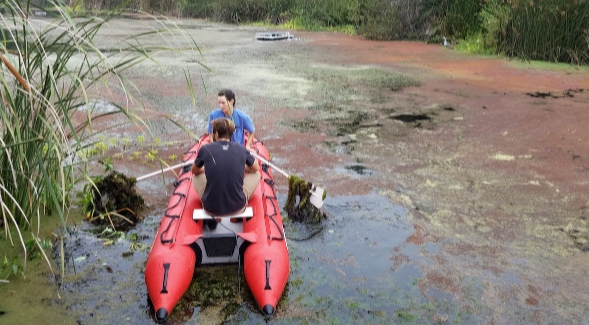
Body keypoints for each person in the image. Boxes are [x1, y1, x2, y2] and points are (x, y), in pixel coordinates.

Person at [193, 118, 261, 230]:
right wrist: (241, 168)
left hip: (210, 208)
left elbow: (194, 171)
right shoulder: (241, 149)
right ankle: (237, 216)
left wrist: (207, 168)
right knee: (256, 174)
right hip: (237, 207)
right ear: (230, 134)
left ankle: (214, 215)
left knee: (196, 176)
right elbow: (255, 168)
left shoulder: (205, 149)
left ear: (216, 133)